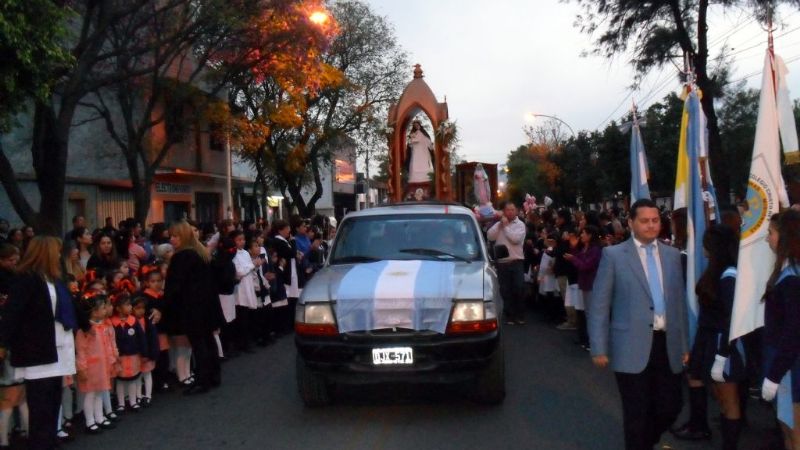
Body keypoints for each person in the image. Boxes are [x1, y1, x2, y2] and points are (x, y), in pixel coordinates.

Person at [588, 199, 688, 450]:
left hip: (667, 343)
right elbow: (599, 304)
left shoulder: (673, 255)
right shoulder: (613, 256)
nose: (651, 226)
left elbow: (678, 303)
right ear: (631, 222)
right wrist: (598, 346)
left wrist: (685, 343)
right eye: (645, 221)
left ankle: (647, 440)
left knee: (670, 406)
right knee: (636, 412)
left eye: (655, 220)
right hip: (629, 344)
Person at [0, 236, 78, 450]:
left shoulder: (54, 278)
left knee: (53, 402)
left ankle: (50, 441)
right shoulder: (26, 279)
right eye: (57, 250)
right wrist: (3, 343)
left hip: (59, 347)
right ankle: (40, 444)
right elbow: (12, 313)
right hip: (38, 351)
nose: (60, 255)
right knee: (41, 406)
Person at [686, 224, 744, 449]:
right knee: (720, 397)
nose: (702, 247)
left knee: (729, 400)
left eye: (706, 243)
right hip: (708, 337)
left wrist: (723, 355)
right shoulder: (715, 270)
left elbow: (732, 317)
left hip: (722, 342)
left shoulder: (729, 274)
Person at [163, 221, 224, 394]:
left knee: (199, 344)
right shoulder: (200, 253)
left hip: (192, 307)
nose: (172, 240)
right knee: (208, 340)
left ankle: (202, 380)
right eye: (171, 236)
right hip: (207, 305)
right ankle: (213, 376)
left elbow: (175, 286)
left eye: (175, 236)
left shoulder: (182, 256)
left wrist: (164, 305)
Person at [762, 210, 800, 449]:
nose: (768, 238)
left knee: (794, 434)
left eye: (771, 233)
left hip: (793, 368)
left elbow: (794, 331)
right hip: (786, 364)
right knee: (788, 432)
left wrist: (774, 374)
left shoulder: (793, 279)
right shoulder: (787, 273)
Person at [74, 293, 116, 434]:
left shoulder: (103, 327)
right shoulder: (85, 331)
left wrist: (112, 359)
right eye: (103, 308)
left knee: (99, 392)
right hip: (91, 367)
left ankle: (99, 417)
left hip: (102, 366)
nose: (105, 311)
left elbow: (108, 345)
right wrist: (82, 368)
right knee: (90, 394)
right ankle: (89, 421)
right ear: (94, 312)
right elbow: (81, 350)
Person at [0, 244, 28, 448]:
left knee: (13, 402)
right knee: (13, 402)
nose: (15, 262)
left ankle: (14, 433)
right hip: (11, 353)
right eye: (11, 259)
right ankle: (15, 435)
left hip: (12, 352)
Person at [487, 202, 527, 325]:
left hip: (516, 261)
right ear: (504, 211)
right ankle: (509, 315)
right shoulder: (499, 224)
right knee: (505, 289)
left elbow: (515, 239)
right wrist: (500, 225)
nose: (510, 212)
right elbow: (490, 236)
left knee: (518, 287)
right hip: (502, 262)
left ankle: (520, 314)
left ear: (516, 211)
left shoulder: (520, 225)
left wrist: (505, 227)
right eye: (507, 210)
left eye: (512, 209)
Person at [110, 292, 143, 412]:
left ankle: (133, 401)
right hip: (120, 356)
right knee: (120, 380)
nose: (130, 307)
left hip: (134, 354)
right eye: (127, 305)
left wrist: (143, 351)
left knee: (133, 378)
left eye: (130, 305)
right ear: (118, 308)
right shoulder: (113, 322)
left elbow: (141, 337)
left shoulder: (133, 320)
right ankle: (121, 403)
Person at [132, 295, 159, 407]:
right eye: (138, 308)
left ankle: (148, 395)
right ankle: (138, 395)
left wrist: (151, 353)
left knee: (147, 374)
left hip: (147, 352)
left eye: (143, 308)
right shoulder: (132, 322)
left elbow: (153, 339)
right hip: (137, 353)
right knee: (137, 375)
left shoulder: (148, 322)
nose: (141, 311)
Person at [406, 119, 434, 185]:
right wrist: (411, 139)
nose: (416, 126)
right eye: (415, 125)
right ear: (414, 126)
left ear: (419, 125)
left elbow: (428, 141)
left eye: (417, 125)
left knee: (424, 163)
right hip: (416, 151)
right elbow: (410, 143)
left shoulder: (423, 133)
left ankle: (425, 178)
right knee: (415, 163)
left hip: (423, 151)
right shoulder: (413, 133)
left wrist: (431, 147)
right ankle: (416, 179)